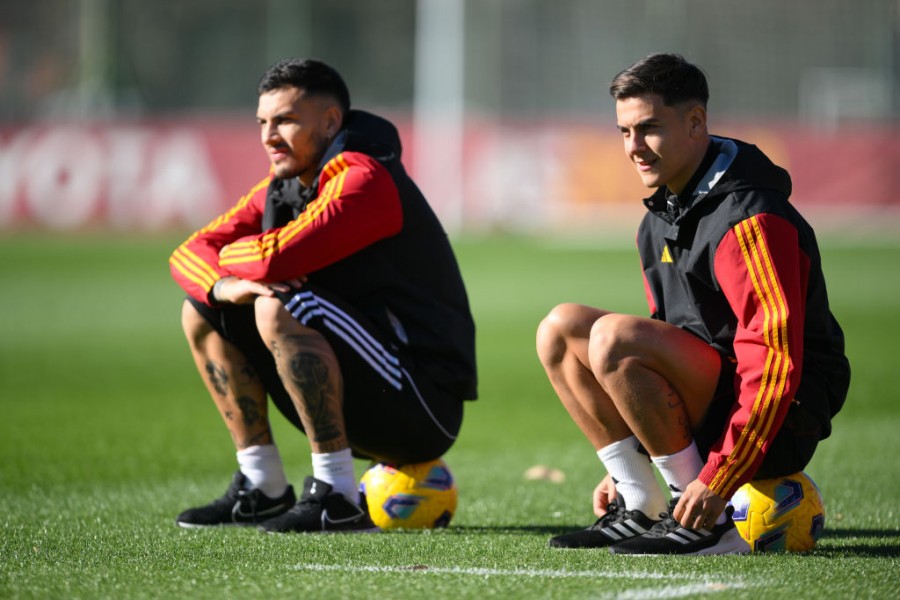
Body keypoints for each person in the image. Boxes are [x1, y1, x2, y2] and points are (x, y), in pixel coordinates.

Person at [536, 53, 849, 555]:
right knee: (560, 327)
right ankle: (640, 502)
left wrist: (719, 479)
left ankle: (707, 521)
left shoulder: (749, 218)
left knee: (615, 336)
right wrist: (630, 459)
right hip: (717, 399)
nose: (633, 147)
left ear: (696, 122)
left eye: (649, 129)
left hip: (782, 417)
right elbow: (670, 346)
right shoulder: (660, 216)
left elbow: (775, 364)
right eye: (624, 132)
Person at [169, 58, 477, 533]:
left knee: (283, 304)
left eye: (286, 120)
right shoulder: (283, 188)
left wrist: (233, 259)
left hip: (422, 400)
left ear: (331, 121)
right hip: (364, 383)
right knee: (203, 309)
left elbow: (274, 261)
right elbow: (189, 252)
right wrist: (223, 284)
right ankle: (263, 487)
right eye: (262, 123)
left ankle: (337, 495)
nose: (269, 136)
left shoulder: (365, 179)